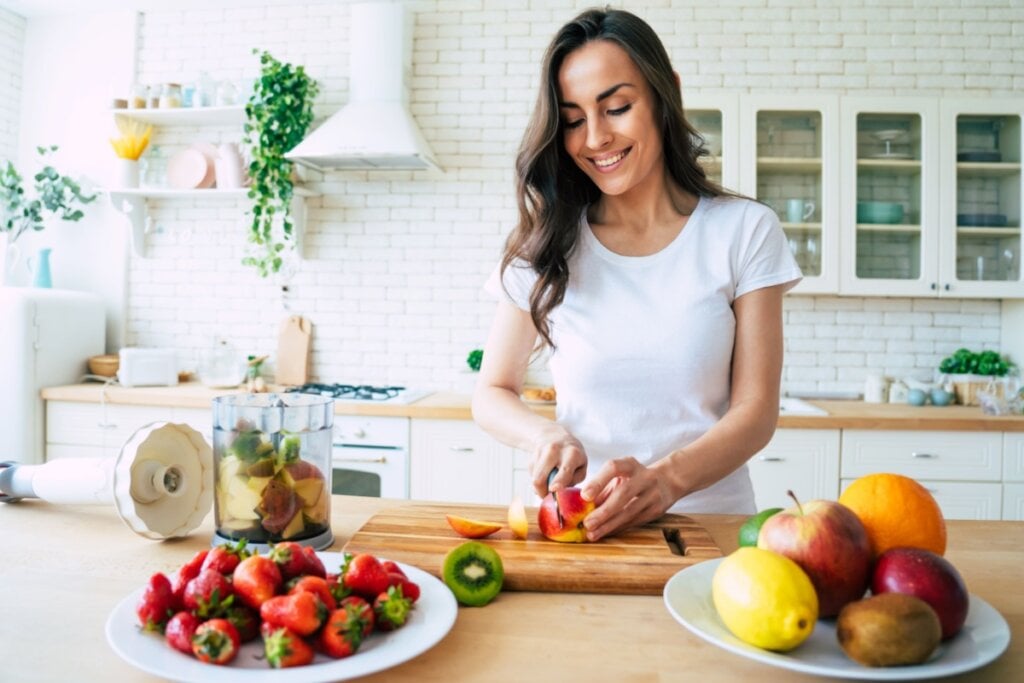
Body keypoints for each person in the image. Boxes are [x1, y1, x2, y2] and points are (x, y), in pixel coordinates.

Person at [471, 7, 802, 541]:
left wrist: (667, 481)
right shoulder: (548, 244)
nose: (596, 138)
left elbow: (755, 411)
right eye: (574, 120)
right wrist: (544, 435)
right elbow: (492, 390)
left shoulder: (743, 231)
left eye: (617, 107)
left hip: (711, 529)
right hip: (586, 530)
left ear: (664, 93)